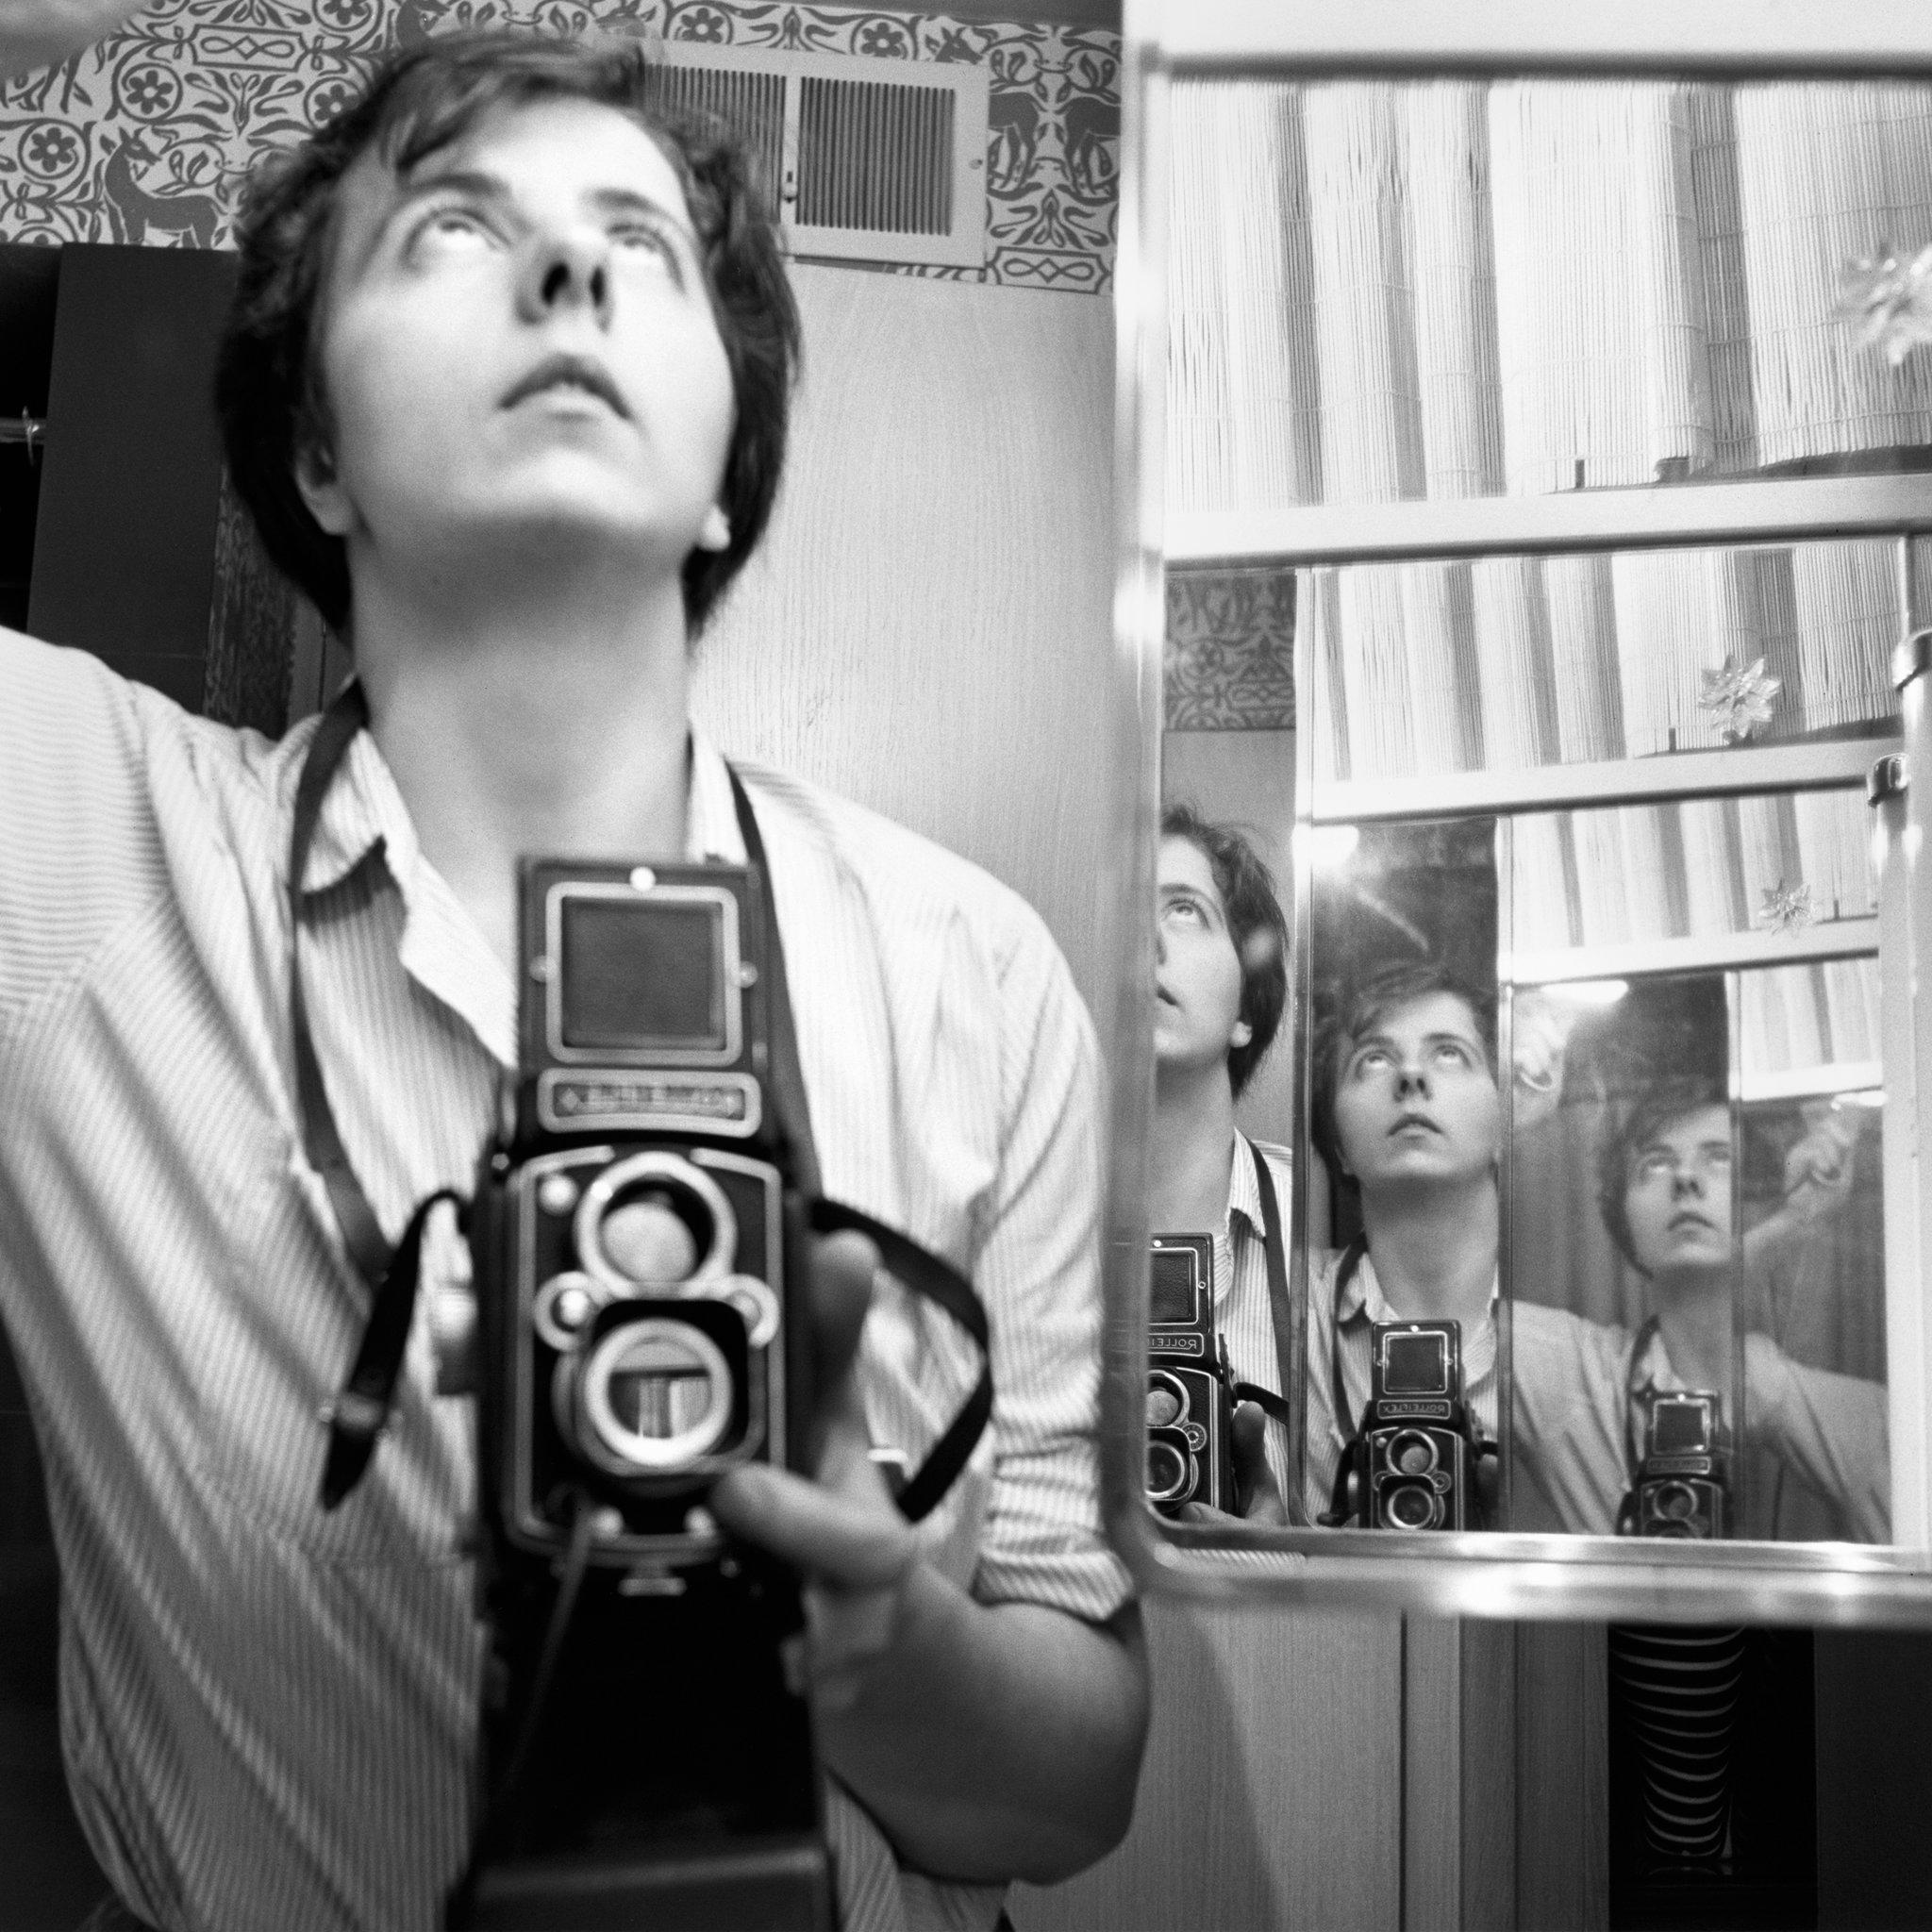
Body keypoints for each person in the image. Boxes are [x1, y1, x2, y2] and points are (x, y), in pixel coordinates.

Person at [0, 30, 1146, 1932]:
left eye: (642, 242)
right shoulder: (89, 857)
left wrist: (871, 1637)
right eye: (452, 228)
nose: (568, 270)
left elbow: (1068, 1789)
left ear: (723, 476)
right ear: (313, 444)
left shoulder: (972, 978)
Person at [1512, 1077, 1888, 1541]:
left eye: (1719, 1159)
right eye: (1655, 1164)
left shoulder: (1818, 1401)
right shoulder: (1574, 1375)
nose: (1685, 1180)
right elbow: (1433, 1321)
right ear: (1623, 1217)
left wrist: (1791, 1221)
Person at [1305, 958, 1506, 1524]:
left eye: (1449, 1053)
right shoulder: (1287, 1322)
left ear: (1505, 1121)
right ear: (1338, 1143)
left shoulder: (1570, 1352)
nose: (1411, 1078)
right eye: (1374, 1058)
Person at [1148, 804, 1292, 1524]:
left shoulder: (1316, 1231)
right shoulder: (1024, 1219)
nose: (1144, 937)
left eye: (1183, 909)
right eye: (1127, 910)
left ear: (1246, 1010)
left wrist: (1299, 1554)